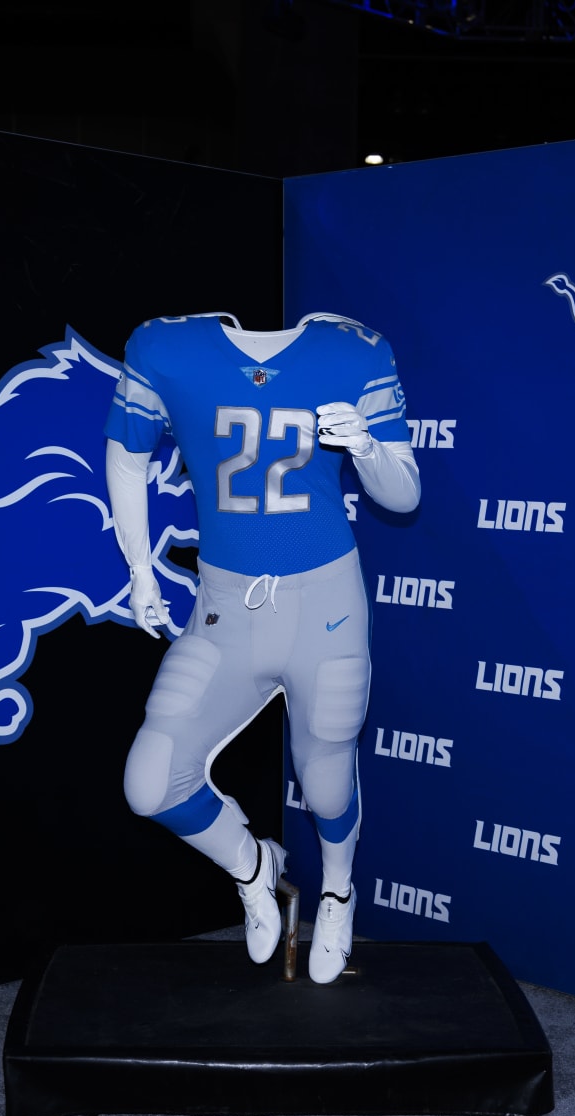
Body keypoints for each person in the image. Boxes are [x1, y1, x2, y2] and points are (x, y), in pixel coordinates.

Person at [103, 311, 420, 984]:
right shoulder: (166, 348)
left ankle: (337, 891)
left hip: (326, 607)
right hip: (226, 610)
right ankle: (255, 865)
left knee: (327, 774)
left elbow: (404, 490)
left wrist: (364, 446)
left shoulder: (354, 348)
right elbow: (126, 455)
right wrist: (138, 569)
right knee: (149, 782)